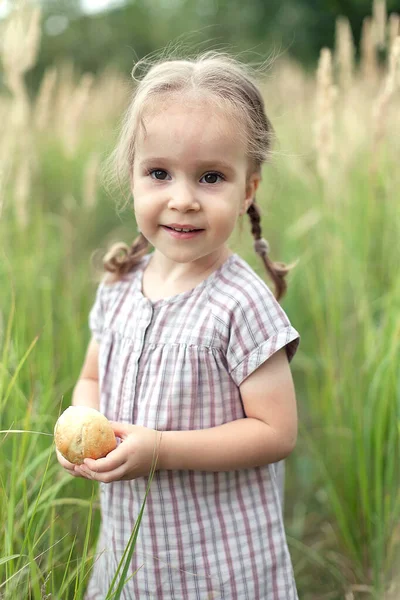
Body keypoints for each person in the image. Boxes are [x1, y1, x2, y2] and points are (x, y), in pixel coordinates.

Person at [56, 50, 301, 600]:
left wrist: (160, 448)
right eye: (159, 173)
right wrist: (80, 432)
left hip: (221, 564)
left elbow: (276, 432)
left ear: (248, 191)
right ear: (134, 177)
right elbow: (91, 380)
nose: (183, 199)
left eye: (211, 177)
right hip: (135, 558)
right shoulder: (119, 287)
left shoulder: (241, 304)